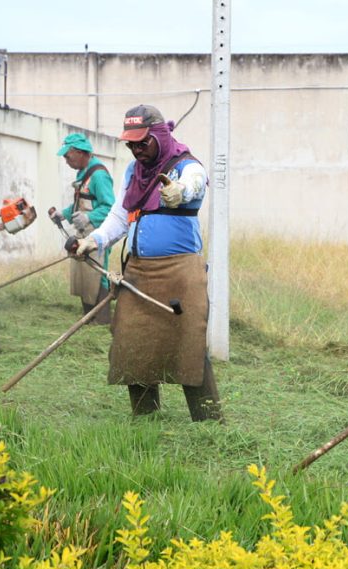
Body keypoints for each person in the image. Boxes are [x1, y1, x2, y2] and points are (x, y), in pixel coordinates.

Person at [75, 105, 223, 422]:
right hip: (138, 271)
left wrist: (180, 191)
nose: (137, 150)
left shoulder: (186, 165)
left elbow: (198, 182)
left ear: (159, 135)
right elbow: (119, 216)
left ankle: (210, 423)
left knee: (188, 345)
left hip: (180, 272)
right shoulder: (134, 173)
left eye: (143, 143)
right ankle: (146, 420)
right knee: (133, 343)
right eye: (131, 144)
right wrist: (95, 240)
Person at [50, 133, 115, 324]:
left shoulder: (99, 175)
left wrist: (89, 217)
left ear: (79, 152)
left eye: (67, 156)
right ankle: (88, 318)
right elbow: (82, 203)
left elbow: (110, 208)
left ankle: (102, 321)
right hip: (83, 233)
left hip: (97, 235)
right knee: (84, 275)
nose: (66, 160)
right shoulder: (82, 174)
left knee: (98, 274)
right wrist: (64, 214)